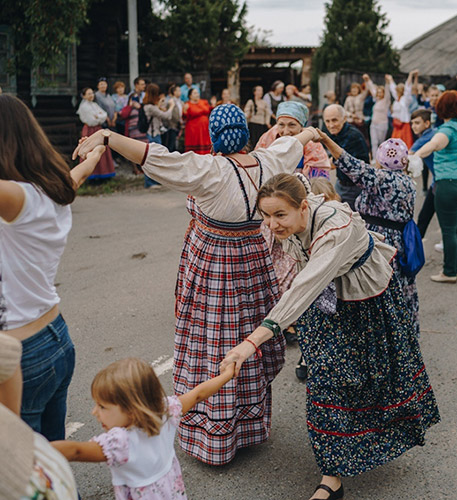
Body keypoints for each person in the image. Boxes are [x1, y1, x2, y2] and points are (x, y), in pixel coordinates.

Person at [72, 104, 321, 466]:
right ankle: (247, 427)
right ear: (245, 134)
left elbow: (150, 154)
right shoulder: (269, 160)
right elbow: (296, 142)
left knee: (210, 342)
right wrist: (312, 133)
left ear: (215, 138)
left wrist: (108, 136)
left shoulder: (209, 170)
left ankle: (214, 437)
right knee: (245, 337)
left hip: (215, 266)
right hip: (253, 261)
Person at [220, 173, 440, 500]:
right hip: (326, 305)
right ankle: (331, 477)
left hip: (369, 304)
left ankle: (383, 434)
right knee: (325, 383)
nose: (272, 223)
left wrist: (252, 341)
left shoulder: (337, 228)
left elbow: (306, 284)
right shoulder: (294, 222)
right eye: (266, 215)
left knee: (377, 377)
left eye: (279, 214)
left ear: (303, 207)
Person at [0, 94, 106, 440]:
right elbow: (82, 171)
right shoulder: (54, 189)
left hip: (22, 354)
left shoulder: (16, 198)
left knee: (25, 473)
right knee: (50, 462)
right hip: (55, 337)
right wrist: (94, 153)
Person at [52, 358, 235, 500]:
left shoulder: (119, 442)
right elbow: (197, 395)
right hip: (171, 492)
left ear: (132, 410)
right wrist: (227, 375)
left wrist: (31, 449)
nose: (94, 412)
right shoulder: (166, 411)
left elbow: (75, 451)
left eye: (102, 406)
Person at [319, 131, 422, 329]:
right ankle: (404, 334)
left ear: (381, 160)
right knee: (400, 288)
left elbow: (350, 163)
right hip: (399, 240)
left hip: (382, 241)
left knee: (380, 288)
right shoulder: (408, 182)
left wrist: (326, 139)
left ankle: (386, 336)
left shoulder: (382, 180)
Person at [0, 333, 78, 500]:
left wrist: (14, 430)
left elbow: (7, 354)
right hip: (51, 335)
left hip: (16, 484)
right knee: (51, 447)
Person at [413, 91, 457, 283]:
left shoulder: (446, 130)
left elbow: (433, 145)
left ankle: (449, 272)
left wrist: (415, 157)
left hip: (450, 184)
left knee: (449, 230)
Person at [257, 101, 330, 179]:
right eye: (281, 125)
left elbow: (318, 183)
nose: (286, 131)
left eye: (292, 125)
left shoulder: (313, 147)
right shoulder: (266, 141)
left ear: (302, 126)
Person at [322, 104, 370, 209]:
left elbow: (333, 163)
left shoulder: (353, 136)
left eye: (334, 120)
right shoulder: (336, 133)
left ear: (344, 119)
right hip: (341, 183)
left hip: (355, 187)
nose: (331, 125)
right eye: (327, 121)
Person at [76, 87, 116, 180]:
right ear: (84, 96)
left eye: (92, 93)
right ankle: (90, 175)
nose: (91, 95)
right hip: (90, 130)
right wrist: (98, 117)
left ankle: (104, 174)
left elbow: (104, 114)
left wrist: (99, 116)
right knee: (90, 150)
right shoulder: (84, 107)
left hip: (98, 129)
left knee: (101, 149)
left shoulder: (94, 104)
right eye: (89, 94)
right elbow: (91, 120)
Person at [366, 74, 393, 159]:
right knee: (374, 142)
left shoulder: (386, 101)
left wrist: (387, 83)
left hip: (382, 124)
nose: (379, 93)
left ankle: (381, 158)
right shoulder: (376, 100)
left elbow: (388, 92)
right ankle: (374, 159)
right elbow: (372, 89)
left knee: (381, 143)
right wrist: (368, 80)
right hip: (373, 124)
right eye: (378, 92)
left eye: (381, 92)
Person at [390, 70, 418, 148]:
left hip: (404, 125)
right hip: (396, 124)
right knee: (395, 145)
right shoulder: (397, 99)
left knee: (405, 144)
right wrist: (390, 80)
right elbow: (392, 89)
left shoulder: (405, 99)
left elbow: (408, 88)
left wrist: (410, 75)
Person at [182, 87, 212, 154]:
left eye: (197, 93)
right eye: (195, 93)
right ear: (190, 96)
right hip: (193, 129)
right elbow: (184, 117)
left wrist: (213, 105)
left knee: (206, 144)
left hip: (204, 128)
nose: (197, 94)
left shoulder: (204, 102)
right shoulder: (187, 104)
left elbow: (209, 110)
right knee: (195, 147)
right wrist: (184, 111)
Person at [164, 84, 183, 152]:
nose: (180, 92)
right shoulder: (171, 101)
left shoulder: (181, 102)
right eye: (178, 91)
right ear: (174, 92)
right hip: (172, 125)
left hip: (180, 125)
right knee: (172, 144)